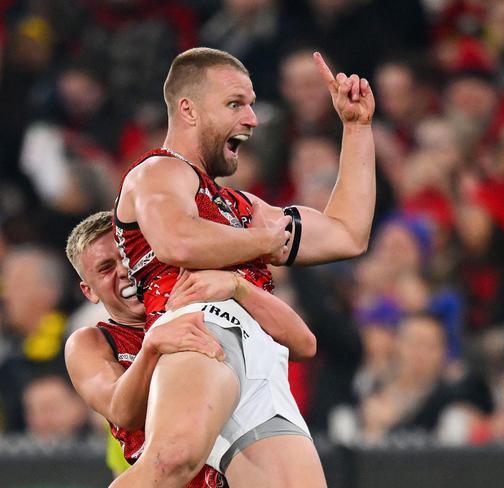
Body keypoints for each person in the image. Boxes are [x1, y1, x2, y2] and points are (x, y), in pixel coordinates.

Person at [113, 47, 375, 487]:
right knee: (171, 460)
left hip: (261, 356)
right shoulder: (158, 172)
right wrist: (264, 242)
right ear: (188, 110)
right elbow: (177, 240)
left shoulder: (244, 208)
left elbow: (347, 233)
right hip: (198, 333)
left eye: (252, 104)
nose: (252, 118)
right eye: (235, 104)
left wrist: (356, 128)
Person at [64, 211, 316, 487]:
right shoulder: (91, 342)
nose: (123, 270)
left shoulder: (202, 294)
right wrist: (151, 348)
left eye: (127, 257)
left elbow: (304, 344)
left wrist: (238, 287)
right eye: (105, 268)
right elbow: (123, 412)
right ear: (89, 291)